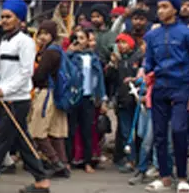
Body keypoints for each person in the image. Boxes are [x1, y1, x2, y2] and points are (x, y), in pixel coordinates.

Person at [0, 0, 51, 193]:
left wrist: (4, 90)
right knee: (22, 140)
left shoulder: (25, 42)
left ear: (20, 20)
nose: (4, 20)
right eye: (3, 16)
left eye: (8, 17)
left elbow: (26, 73)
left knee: (1, 142)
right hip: (6, 98)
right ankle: (41, 179)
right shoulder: (4, 41)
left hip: (18, 99)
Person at [144, 0, 189, 193]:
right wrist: (144, 73)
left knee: (179, 130)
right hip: (159, 88)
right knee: (159, 133)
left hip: (182, 86)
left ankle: (182, 177)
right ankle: (164, 176)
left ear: (175, 8)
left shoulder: (187, 34)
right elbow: (149, 64)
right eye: (159, 6)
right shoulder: (152, 35)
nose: (161, 10)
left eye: (165, 6)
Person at [29, 20, 70, 178]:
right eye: (41, 34)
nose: (43, 37)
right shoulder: (57, 50)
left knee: (37, 131)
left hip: (47, 94)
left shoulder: (50, 53)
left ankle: (55, 163)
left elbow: (40, 75)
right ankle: (63, 164)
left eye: (46, 34)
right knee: (55, 133)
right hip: (57, 94)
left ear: (52, 35)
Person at [67, 29, 107, 173]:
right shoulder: (70, 57)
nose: (79, 41)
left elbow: (100, 79)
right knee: (70, 130)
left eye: (82, 38)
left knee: (87, 130)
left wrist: (102, 98)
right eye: (76, 38)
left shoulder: (93, 57)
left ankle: (87, 161)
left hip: (88, 97)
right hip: (73, 96)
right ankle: (69, 160)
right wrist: (69, 52)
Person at [107, 33, 142, 173]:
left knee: (140, 132)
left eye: (124, 42)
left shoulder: (138, 57)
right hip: (123, 101)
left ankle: (141, 159)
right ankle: (131, 159)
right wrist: (112, 65)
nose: (121, 45)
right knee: (126, 132)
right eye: (119, 43)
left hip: (138, 100)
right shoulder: (118, 60)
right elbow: (110, 80)